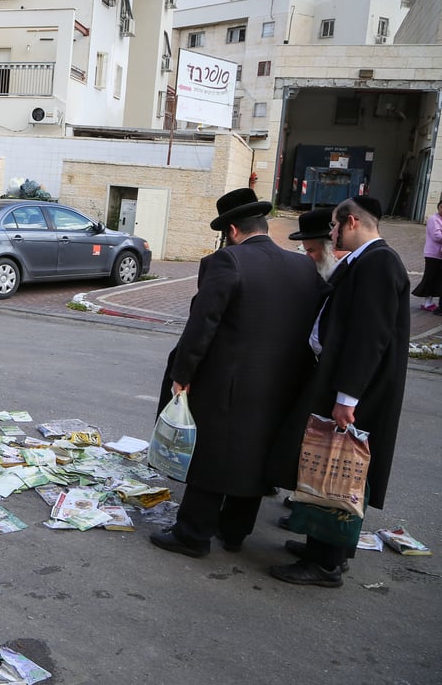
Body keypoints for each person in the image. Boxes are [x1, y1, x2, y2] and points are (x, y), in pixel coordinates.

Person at [149, 188, 325, 559]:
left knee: (211, 456)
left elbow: (203, 324)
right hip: (283, 384)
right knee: (254, 457)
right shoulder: (302, 266)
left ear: (231, 229)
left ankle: (193, 534)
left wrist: (183, 373)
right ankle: (234, 532)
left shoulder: (228, 262)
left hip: (226, 381)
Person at [266, 196, 410, 587]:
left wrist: (347, 397)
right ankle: (328, 550)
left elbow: (370, 335)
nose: (330, 234)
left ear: (350, 221)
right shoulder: (367, 260)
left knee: (336, 470)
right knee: (331, 466)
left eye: (333, 226)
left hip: (354, 391)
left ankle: (325, 563)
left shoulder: (379, 262)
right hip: (345, 383)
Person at [289, 207, 348, 280]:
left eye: (311, 251)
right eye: (306, 251)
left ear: (331, 247)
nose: (307, 256)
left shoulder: (352, 272)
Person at [410, 198, 442, 312]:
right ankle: (427, 302)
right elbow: (436, 236)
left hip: (440, 255)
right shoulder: (434, 219)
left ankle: (430, 302)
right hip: (433, 254)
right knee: (430, 277)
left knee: (436, 278)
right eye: (441, 207)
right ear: (438, 207)